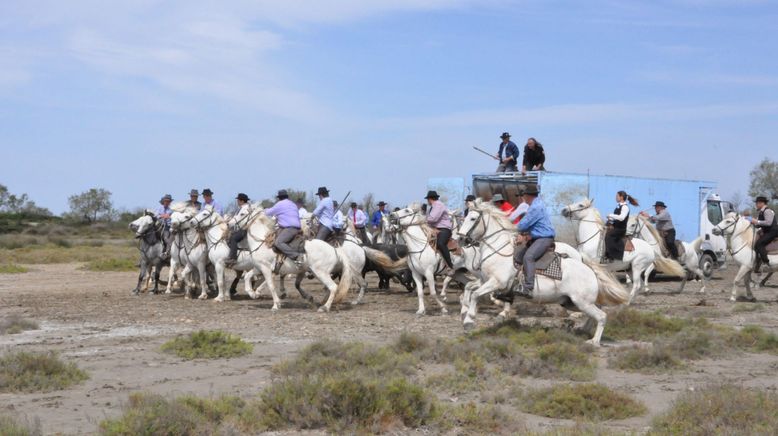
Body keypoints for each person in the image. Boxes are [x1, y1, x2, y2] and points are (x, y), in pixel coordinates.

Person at [513, 185, 555, 297]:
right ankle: (517, 282)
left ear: (527, 196)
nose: (523, 198)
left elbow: (523, 225)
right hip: (538, 237)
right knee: (517, 257)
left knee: (528, 257)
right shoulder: (535, 204)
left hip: (544, 238)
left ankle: (528, 287)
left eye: (523, 196)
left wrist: (509, 228)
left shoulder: (535, 207)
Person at [265, 189, 302, 266]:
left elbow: (268, 213)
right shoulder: (292, 204)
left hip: (289, 228)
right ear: (287, 197)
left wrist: (262, 210)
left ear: (279, 198)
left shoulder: (280, 204)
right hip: (296, 227)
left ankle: (297, 256)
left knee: (278, 242)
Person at [425, 190, 454, 275]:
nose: (427, 201)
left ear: (430, 199)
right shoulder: (434, 206)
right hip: (435, 229)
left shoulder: (438, 205)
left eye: (428, 199)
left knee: (441, 243)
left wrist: (422, 220)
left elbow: (433, 219)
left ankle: (450, 265)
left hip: (444, 229)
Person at [605, 191, 639, 261]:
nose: (615, 197)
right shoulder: (619, 206)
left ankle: (611, 255)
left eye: (617, 196)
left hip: (620, 229)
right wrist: (610, 218)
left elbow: (621, 217)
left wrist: (611, 215)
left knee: (609, 236)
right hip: (616, 227)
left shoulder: (625, 207)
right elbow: (617, 217)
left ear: (621, 197)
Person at [751, 196, 778, 273]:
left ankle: (766, 263)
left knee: (759, 244)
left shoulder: (767, 211)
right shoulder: (761, 212)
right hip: (768, 231)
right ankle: (758, 263)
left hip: (772, 231)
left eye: (757, 203)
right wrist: (753, 223)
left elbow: (768, 223)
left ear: (761, 203)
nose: (756, 205)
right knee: (756, 244)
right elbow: (760, 224)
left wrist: (757, 221)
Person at [225, 193, 251, 266]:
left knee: (234, 238)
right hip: (239, 229)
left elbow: (237, 219)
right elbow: (235, 218)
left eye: (238, 200)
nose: (237, 201)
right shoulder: (241, 208)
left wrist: (228, 224)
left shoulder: (245, 210)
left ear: (242, 201)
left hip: (244, 229)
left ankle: (233, 258)